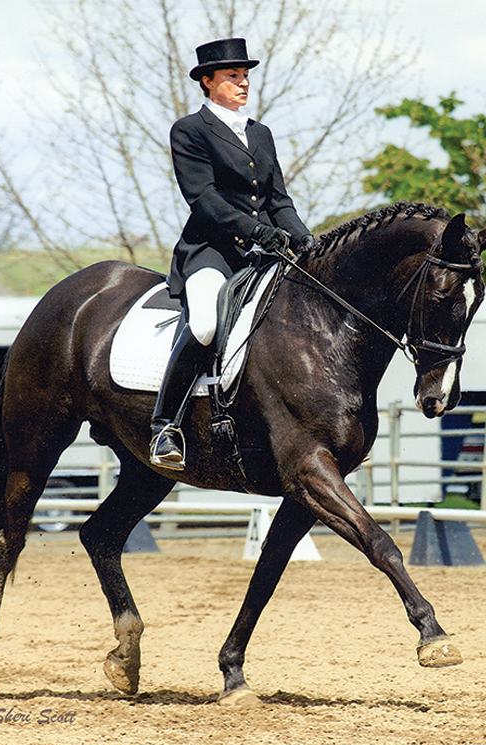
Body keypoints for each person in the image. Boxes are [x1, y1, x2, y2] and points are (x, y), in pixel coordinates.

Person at [150, 37, 315, 469]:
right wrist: (258, 231)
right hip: (211, 251)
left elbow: (279, 200)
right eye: (232, 77)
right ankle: (165, 425)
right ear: (207, 82)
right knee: (205, 324)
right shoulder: (189, 130)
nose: (243, 85)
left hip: (261, 254)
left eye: (245, 77)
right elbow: (204, 199)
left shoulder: (260, 133)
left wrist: (305, 240)